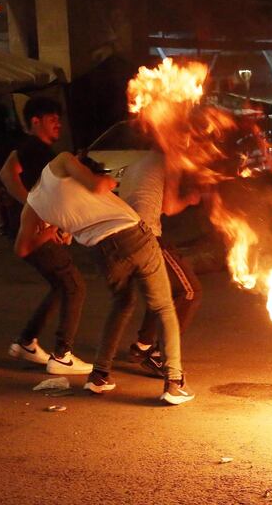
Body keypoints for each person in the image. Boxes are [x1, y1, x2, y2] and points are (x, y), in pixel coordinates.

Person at [15, 151, 195, 405]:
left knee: (122, 303)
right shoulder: (63, 160)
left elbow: (24, 247)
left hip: (101, 251)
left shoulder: (33, 206)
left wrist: (55, 228)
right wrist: (110, 180)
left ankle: (99, 376)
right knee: (163, 306)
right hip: (132, 235)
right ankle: (175, 383)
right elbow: (98, 185)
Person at [0, 97, 92, 375]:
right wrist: (36, 209)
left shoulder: (31, 149)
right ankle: (62, 355)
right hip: (34, 231)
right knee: (73, 285)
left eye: (58, 119)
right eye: (52, 119)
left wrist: (33, 206)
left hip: (34, 226)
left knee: (61, 284)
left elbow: (6, 173)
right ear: (35, 121)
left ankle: (26, 341)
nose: (58, 124)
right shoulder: (35, 149)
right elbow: (9, 176)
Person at [118, 150, 203, 377]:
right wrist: (191, 198)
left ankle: (142, 346)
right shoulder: (169, 158)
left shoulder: (138, 161)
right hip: (144, 236)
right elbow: (170, 205)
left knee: (162, 290)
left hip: (121, 236)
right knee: (189, 291)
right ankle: (159, 356)